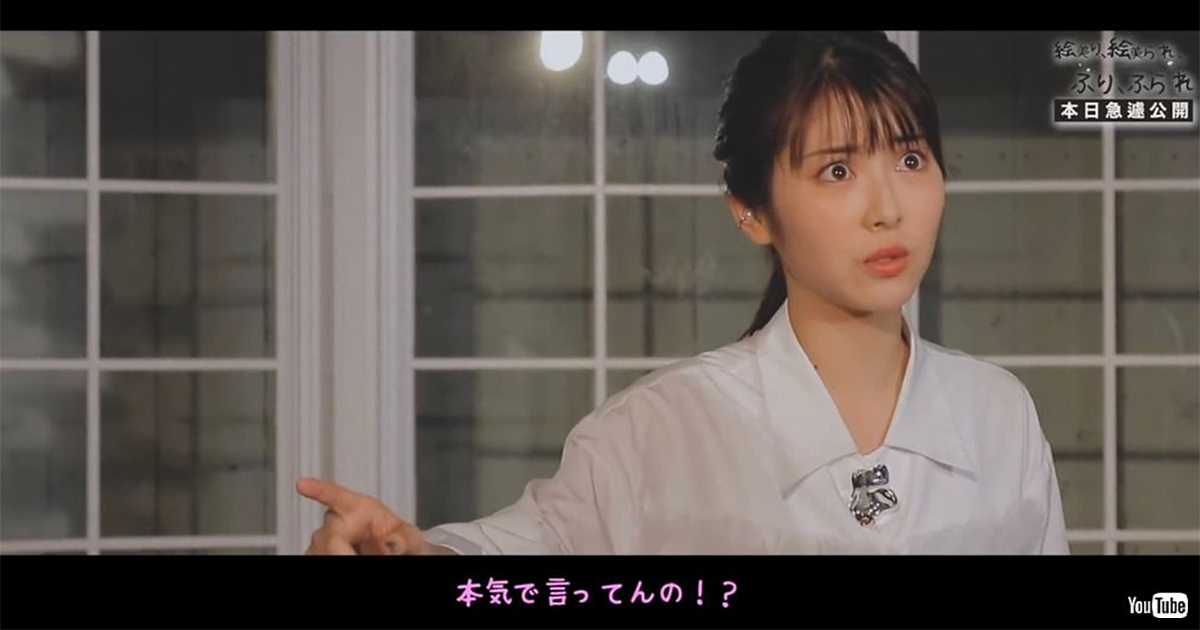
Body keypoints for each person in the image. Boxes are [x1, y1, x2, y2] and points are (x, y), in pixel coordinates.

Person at [297, 30, 1070, 555]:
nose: (887, 207)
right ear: (751, 210)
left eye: (910, 160)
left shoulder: (997, 412)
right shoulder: (659, 428)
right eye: (837, 170)